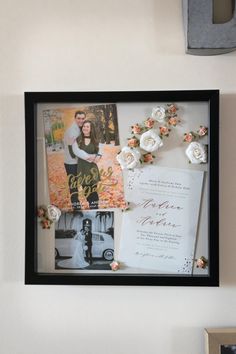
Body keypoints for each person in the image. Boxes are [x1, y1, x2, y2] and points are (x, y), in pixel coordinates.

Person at [63, 111, 96, 210]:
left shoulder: (82, 128)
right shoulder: (72, 131)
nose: (81, 120)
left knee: (86, 183)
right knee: (74, 187)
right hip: (71, 163)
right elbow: (75, 150)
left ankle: (93, 205)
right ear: (75, 118)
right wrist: (89, 157)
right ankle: (77, 209)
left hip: (80, 162)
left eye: (82, 118)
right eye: (79, 118)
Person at [72, 120, 101, 209]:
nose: (85, 128)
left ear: (91, 129)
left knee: (93, 191)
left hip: (92, 169)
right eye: (84, 126)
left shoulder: (95, 141)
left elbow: (98, 154)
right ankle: (93, 206)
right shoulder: (77, 139)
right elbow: (76, 151)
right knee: (86, 192)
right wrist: (89, 157)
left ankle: (95, 208)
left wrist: (95, 157)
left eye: (87, 126)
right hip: (82, 168)